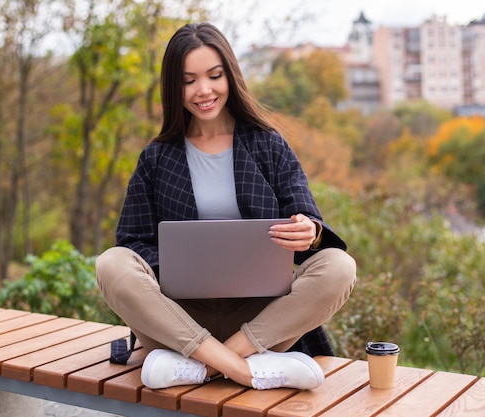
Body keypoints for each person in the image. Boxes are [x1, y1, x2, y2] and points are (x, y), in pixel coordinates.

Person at [95, 22, 357, 391]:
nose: (204, 90)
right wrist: (178, 264)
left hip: (260, 321)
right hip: (180, 318)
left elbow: (308, 219)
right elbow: (131, 241)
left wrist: (310, 233)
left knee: (339, 266)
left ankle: (205, 365)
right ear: (174, 87)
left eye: (214, 76)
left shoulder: (268, 145)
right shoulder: (156, 157)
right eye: (189, 81)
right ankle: (249, 370)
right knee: (111, 263)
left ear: (230, 76)